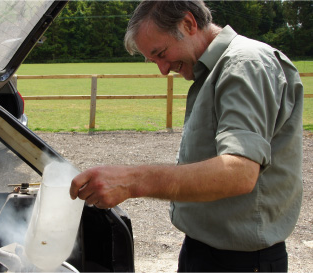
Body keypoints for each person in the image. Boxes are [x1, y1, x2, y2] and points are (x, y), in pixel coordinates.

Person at [69, 1, 304, 272]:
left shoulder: (245, 63)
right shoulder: (213, 71)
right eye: (153, 60)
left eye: (161, 53)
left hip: (241, 262)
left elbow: (239, 173)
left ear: (189, 24)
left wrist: (132, 181)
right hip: (205, 251)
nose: (163, 69)